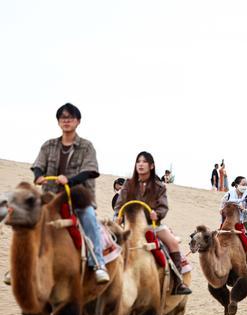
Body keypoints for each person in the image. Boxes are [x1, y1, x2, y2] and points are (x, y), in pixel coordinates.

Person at [31, 103, 109, 283]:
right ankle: (25, 263)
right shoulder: (48, 145)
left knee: (89, 219)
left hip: (78, 199)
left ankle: (97, 263)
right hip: (50, 198)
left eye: (70, 117)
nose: (66, 121)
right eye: (63, 118)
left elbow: (90, 170)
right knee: (28, 218)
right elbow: (38, 165)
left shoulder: (86, 147)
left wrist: (70, 180)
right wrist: (38, 176)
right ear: (58, 121)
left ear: (78, 121)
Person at [115, 151, 191, 295]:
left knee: (173, 243)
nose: (141, 164)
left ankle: (177, 282)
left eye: (144, 162)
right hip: (130, 225)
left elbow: (163, 207)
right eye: (138, 161)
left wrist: (157, 214)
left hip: (153, 225)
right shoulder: (128, 184)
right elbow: (119, 205)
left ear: (151, 166)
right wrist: (117, 217)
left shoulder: (159, 186)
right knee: (111, 241)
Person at [221, 176, 247, 260]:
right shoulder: (228, 195)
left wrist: (243, 209)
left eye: (246, 184)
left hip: (245, 218)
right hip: (231, 218)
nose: (245, 186)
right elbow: (221, 208)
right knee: (221, 232)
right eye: (243, 184)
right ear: (236, 185)